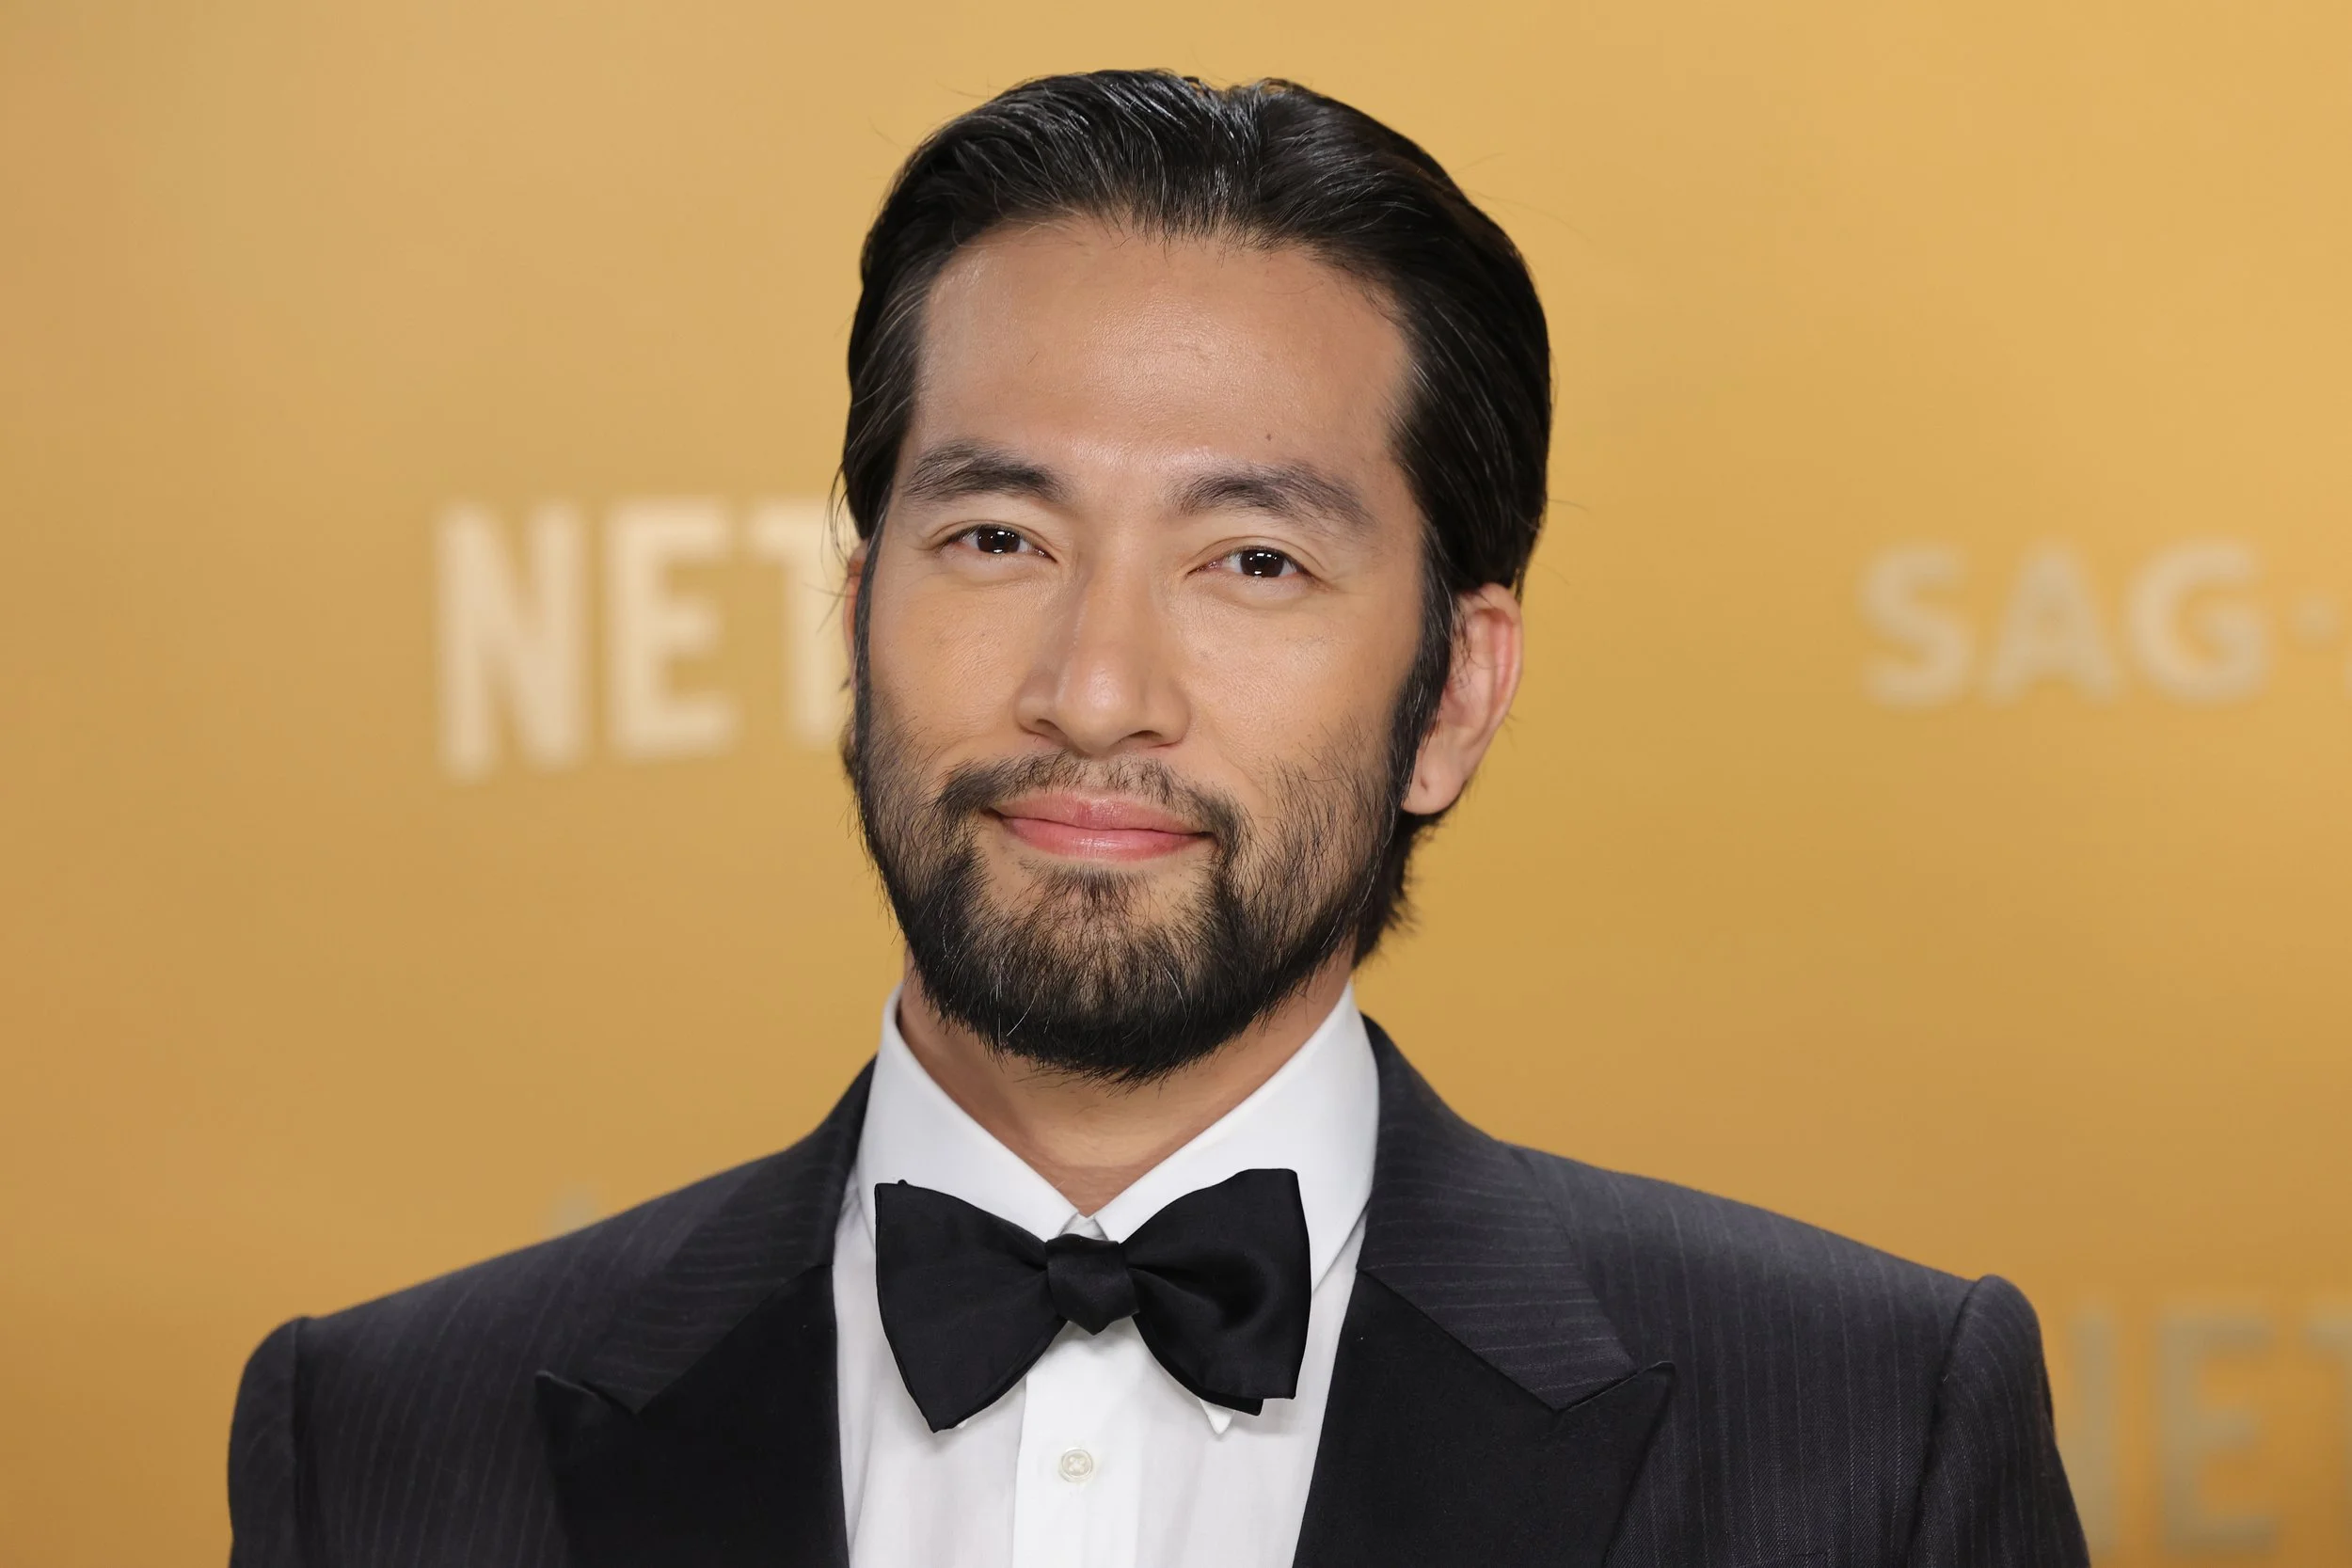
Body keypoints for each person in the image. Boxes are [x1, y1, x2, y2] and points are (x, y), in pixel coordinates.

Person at [227, 70, 2086, 1568]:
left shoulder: (1862, 1431)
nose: (1095, 686)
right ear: (853, 612)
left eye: (1250, 559)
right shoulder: (386, 1434)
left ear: (1452, 690)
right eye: (995, 539)